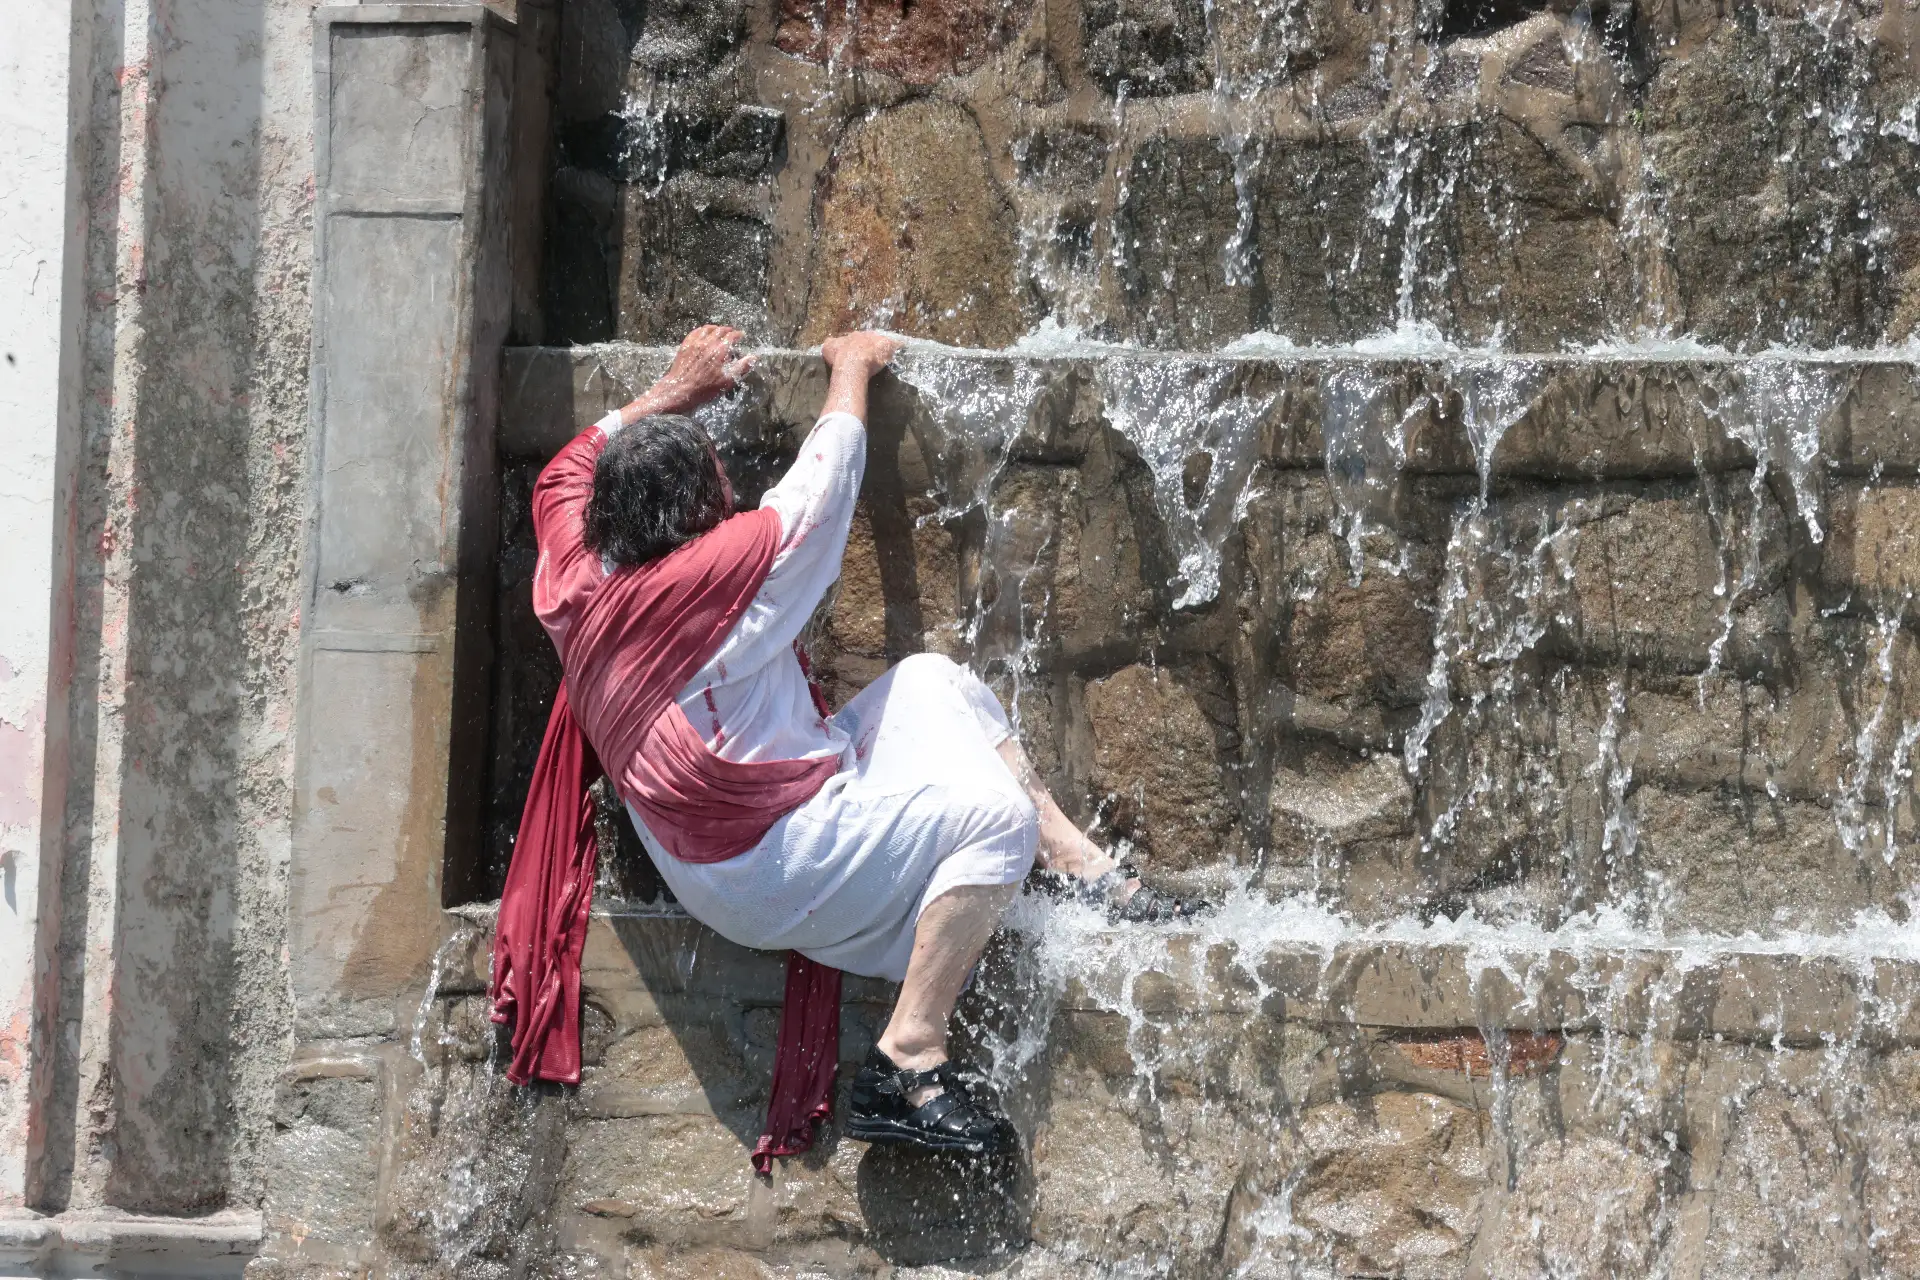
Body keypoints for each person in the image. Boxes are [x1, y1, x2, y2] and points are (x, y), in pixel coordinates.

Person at [522, 324, 1196, 1156]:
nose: (735, 496)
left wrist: (669, 392)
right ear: (704, 514)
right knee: (994, 821)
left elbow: (560, 471)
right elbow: (826, 482)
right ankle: (908, 1060)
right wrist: (852, 368)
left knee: (932, 682)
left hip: (708, 847)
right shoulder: (723, 580)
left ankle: (1081, 867)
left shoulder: (575, 576)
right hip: (764, 867)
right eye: (723, 489)